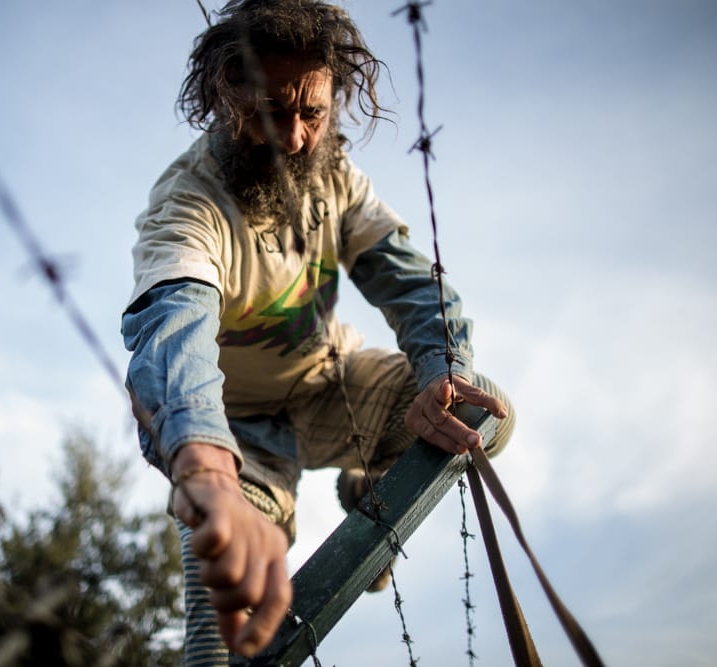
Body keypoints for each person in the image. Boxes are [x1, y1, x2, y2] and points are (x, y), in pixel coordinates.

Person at [121, 1, 514, 664]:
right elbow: (173, 328)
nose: (298, 137)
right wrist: (207, 470)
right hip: (237, 436)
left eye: (314, 113)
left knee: (482, 407)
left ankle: (370, 482)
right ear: (225, 94)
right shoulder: (188, 204)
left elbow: (412, 284)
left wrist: (443, 370)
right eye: (274, 108)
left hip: (335, 387)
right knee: (222, 633)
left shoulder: (336, 177)